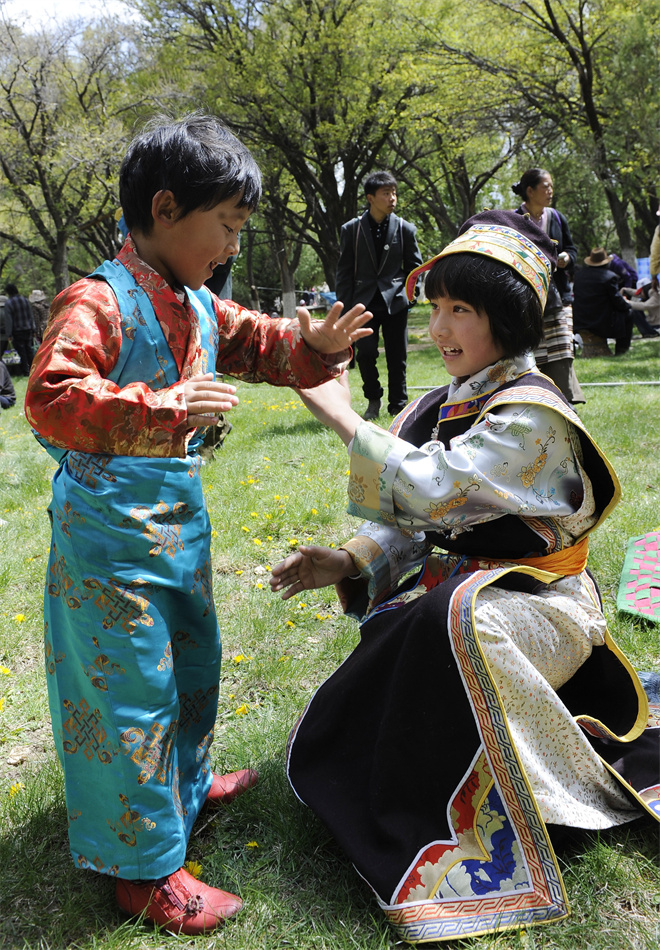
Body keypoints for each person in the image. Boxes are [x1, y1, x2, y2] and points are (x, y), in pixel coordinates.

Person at [24, 114, 372, 937]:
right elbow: (49, 395)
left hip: (177, 528)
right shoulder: (96, 300)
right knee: (130, 694)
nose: (232, 247)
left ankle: (183, 788)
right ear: (166, 206)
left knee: (191, 666)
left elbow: (262, 343)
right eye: (225, 226)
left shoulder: (199, 304)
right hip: (108, 544)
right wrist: (164, 408)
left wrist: (310, 346)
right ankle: (142, 874)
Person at [270, 210, 660, 944]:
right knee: (430, 620)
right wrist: (348, 560)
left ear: (506, 322)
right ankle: (418, 791)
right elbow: (418, 523)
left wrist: (347, 420)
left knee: (450, 620)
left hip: (545, 612)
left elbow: (437, 486)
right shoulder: (441, 404)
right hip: (463, 604)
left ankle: (528, 800)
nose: (439, 328)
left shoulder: (531, 415)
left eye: (461, 311)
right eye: (436, 308)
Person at [335, 170, 423, 420]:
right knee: (365, 354)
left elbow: (414, 268)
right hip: (363, 303)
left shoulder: (406, 229)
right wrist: (345, 308)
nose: (392, 198)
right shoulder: (351, 229)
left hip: (395, 301)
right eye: (386, 193)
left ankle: (398, 405)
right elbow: (344, 271)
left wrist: (410, 297)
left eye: (394, 193)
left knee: (398, 357)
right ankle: (373, 399)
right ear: (370, 197)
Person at [513, 168, 585, 403]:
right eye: (546, 186)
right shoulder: (514, 219)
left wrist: (566, 258)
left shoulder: (556, 217)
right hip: (528, 298)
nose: (550, 190)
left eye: (551, 185)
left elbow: (572, 250)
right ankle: (537, 399)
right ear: (530, 190)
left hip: (559, 296)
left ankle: (566, 400)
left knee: (562, 349)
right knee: (535, 351)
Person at [572, 248, 634, 355]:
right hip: (600, 322)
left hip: (579, 320)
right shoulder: (609, 277)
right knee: (629, 313)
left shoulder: (578, 276)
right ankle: (621, 349)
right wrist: (627, 304)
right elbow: (618, 302)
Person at [3, 282, 35, 376]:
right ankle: (34, 369)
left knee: (22, 351)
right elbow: (30, 315)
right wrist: (33, 328)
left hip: (17, 330)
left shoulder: (9, 303)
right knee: (29, 350)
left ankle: (26, 371)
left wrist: (9, 334)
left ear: (8, 292)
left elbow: (9, 320)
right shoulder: (24, 300)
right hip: (28, 329)